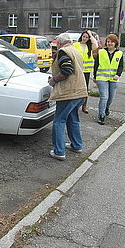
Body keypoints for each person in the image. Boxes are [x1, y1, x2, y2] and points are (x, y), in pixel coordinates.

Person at [48, 33, 88, 161]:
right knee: (73, 118)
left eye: (56, 44)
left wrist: (53, 80)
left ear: (60, 43)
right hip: (80, 91)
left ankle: (59, 151)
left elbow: (66, 70)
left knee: (59, 121)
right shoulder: (75, 51)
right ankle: (77, 145)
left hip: (68, 93)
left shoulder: (63, 52)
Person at [93, 34, 123, 125]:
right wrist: (95, 76)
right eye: (108, 41)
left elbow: (121, 66)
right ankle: (101, 115)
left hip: (113, 78)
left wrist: (118, 75)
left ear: (115, 43)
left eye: (112, 42)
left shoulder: (119, 53)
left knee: (110, 98)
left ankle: (107, 107)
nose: (109, 43)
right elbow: (96, 64)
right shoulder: (101, 52)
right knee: (104, 97)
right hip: (102, 77)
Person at [73, 30, 99, 113]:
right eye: (84, 36)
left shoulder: (90, 46)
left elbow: (96, 45)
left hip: (86, 71)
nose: (85, 38)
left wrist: (91, 35)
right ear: (81, 36)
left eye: (86, 37)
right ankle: (75, 106)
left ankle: (84, 106)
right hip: (77, 70)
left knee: (85, 89)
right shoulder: (76, 45)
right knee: (76, 88)